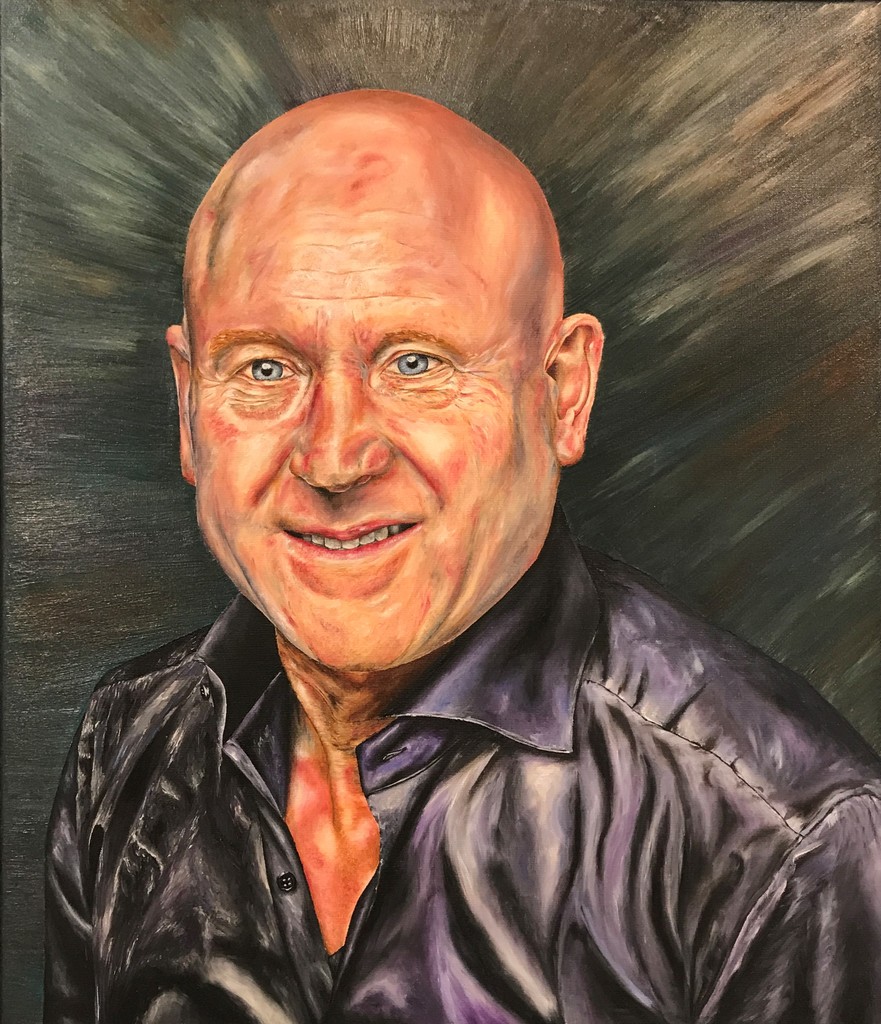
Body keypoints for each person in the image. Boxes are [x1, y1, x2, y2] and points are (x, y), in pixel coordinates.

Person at [45, 89, 881, 1024]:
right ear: (189, 405)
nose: (333, 457)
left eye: (415, 362)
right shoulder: (127, 743)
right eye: (265, 368)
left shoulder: (778, 841)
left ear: (563, 392)